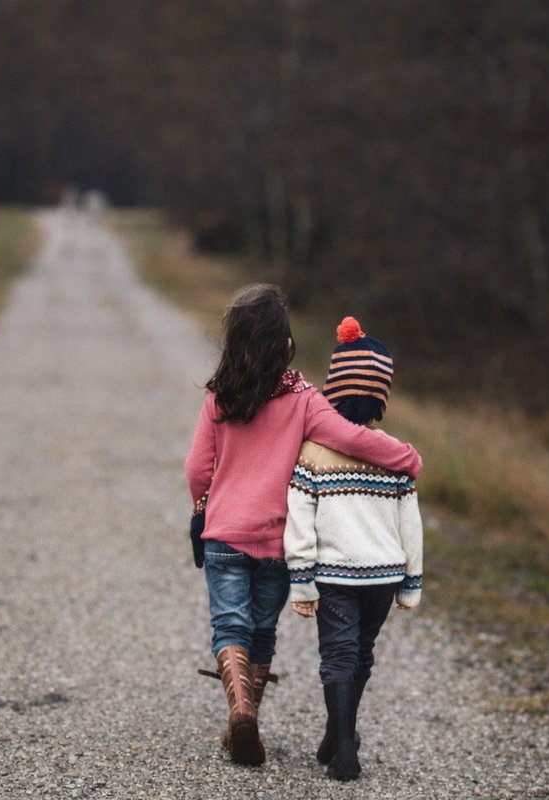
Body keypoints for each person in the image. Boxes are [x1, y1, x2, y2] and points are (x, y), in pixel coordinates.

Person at [184, 286, 422, 768]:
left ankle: (241, 712)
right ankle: (248, 716)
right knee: (262, 631)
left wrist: (205, 506)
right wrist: (406, 457)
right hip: (277, 542)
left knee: (229, 625)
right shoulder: (304, 399)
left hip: (225, 535)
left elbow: (196, 469)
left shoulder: (219, 398)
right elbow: (351, 438)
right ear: (286, 344)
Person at [284, 316, 424, 782]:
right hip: (383, 576)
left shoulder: (313, 453)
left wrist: (301, 580)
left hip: (335, 576)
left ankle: (343, 745)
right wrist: (411, 582)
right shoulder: (394, 456)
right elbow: (410, 523)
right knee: (361, 654)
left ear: (333, 391)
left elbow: (300, 519)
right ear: (381, 398)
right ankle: (339, 735)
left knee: (338, 657)